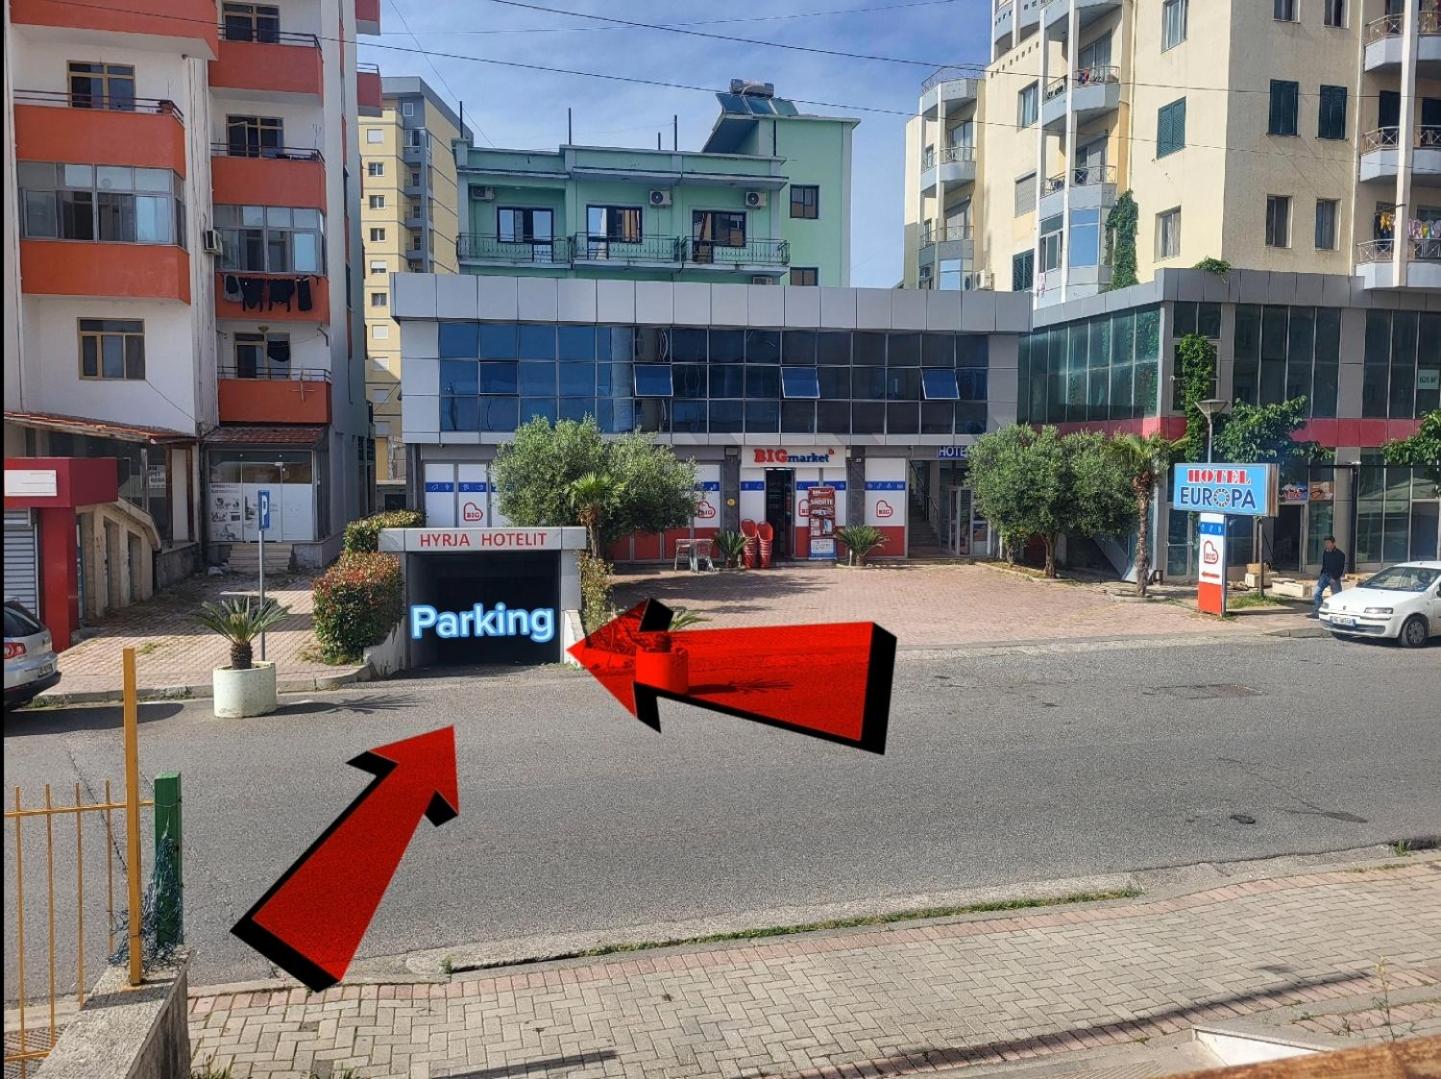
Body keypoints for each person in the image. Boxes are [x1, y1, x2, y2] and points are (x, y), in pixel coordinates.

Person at [1310, 536, 1346, 617]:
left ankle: (1337, 613)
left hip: (1334, 577)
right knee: (1316, 593)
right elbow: (1324, 564)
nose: (1326, 544)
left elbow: (1341, 568)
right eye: (1325, 543)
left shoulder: (1340, 554)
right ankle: (1318, 611)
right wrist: (1322, 574)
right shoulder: (1325, 552)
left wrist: (1335, 577)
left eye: (1328, 543)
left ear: (1333, 543)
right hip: (1324, 575)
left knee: (1337, 595)